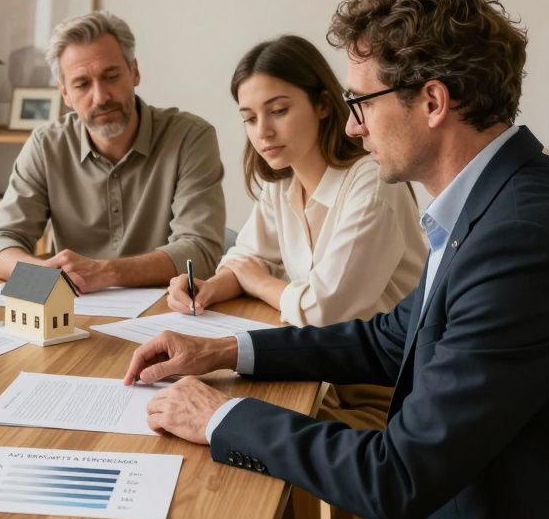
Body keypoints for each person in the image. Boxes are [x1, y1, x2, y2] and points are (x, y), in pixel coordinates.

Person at [126, 0, 549, 519]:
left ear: (432, 102)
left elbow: (396, 475)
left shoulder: (522, 242)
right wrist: (227, 352)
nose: (352, 128)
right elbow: (389, 338)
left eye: (360, 104)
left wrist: (221, 417)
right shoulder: (495, 201)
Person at [164, 35, 426, 429]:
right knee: (196, 410)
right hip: (323, 369)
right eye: (250, 119)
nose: (263, 131)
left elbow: (323, 312)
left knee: (228, 427)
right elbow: (246, 256)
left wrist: (258, 281)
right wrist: (210, 286)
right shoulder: (281, 181)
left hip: (384, 388)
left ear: (323, 104)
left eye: (278, 111)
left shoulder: (372, 185)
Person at [0, 11, 225, 293]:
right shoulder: (46, 145)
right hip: (74, 311)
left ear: (134, 72)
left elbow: (201, 250)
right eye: (82, 84)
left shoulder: (190, 137)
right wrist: (41, 276)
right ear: (65, 94)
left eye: (111, 76)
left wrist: (105, 272)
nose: (101, 97)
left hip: (167, 310)